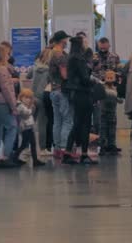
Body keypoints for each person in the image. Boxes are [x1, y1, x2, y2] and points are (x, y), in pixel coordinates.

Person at [63, 37, 97, 165]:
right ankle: (83, 154)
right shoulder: (78, 59)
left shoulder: (71, 58)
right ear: (80, 44)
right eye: (85, 42)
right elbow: (85, 78)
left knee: (77, 123)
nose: (87, 44)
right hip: (83, 93)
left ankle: (68, 152)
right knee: (84, 124)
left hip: (76, 93)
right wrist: (94, 82)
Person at [0, 45, 19, 168]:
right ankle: (6, 156)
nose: (9, 56)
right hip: (3, 103)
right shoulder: (2, 70)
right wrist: (14, 107)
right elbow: (6, 90)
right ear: (3, 56)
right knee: (12, 127)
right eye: (7, 54)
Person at [48, 31, 73, 159]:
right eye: (66, 39)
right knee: (67, 120)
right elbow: (64, 75)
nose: (67, 42)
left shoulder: (51, 53)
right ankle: (64, 147)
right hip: (62, 91)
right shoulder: (60, 55)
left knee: (57, 121)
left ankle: (57, 148)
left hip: (53, 90)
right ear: (62, 40)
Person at [91, 37, 121, 135]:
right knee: (98, 116)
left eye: (105, 46)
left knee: (112, 117)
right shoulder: (93, 57)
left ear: (109, 45)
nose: (103, 48)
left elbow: (119, 72)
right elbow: (89, 72)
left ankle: (111, 143)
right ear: (98, 46)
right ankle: (100, 141)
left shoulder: (114, 57)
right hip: (97, 89)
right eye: (101, 46)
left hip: (111, 89)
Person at [14, 88, 45, 167]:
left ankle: (35, 160)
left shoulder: (24, 106)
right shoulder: (20, 106)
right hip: (25, 128)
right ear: (21, 97)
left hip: (29, 127)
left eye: (29, 98)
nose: (28, 100)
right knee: (24, 144)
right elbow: (26, 114)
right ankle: (14, 157)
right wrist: (30, 109)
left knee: (32, 143)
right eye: (26, 98)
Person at [31, 48, 53, 156]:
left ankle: (27, 146)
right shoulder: (49, 70)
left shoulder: (35, 67)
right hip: (43, 96)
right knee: (42, 123)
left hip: (32, 96)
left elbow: (28, 76)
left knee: (30, 122)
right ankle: (43, 148)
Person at [99, 70, 123, 156]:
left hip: (107, 112)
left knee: (107, 129)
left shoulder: (104, 88)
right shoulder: (110, 88)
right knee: (105, 129)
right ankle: (106, 145)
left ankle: (109, 145)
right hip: (106, 112)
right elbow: (120, 100)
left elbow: (120, 100)